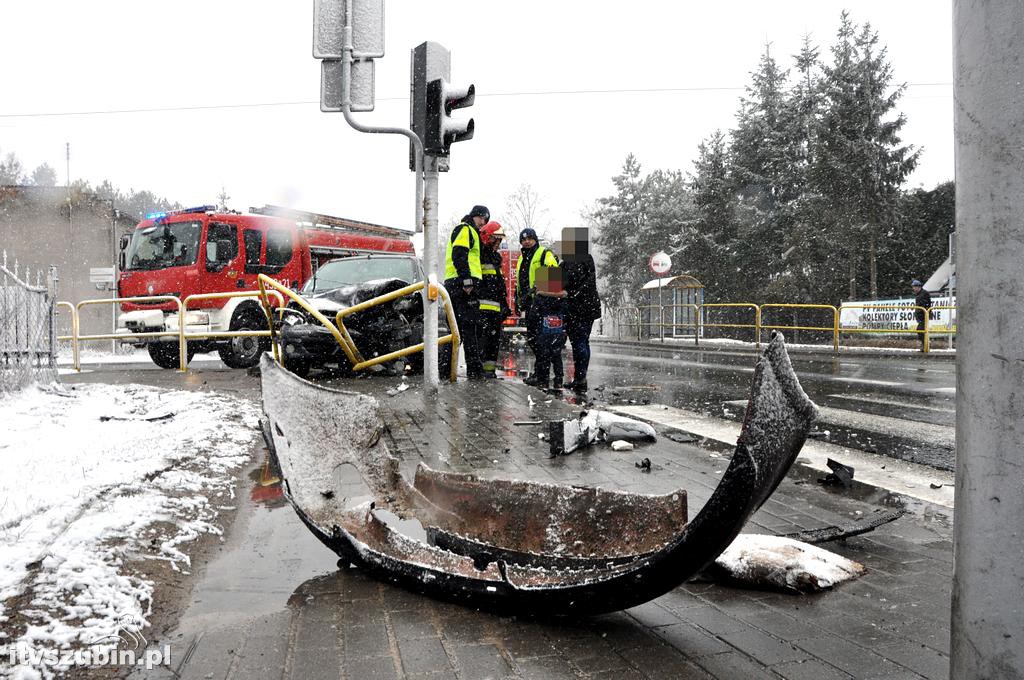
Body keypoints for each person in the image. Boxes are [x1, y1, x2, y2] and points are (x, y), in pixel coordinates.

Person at [443, 205, 489, 378]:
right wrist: (467, 280)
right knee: (469, 328)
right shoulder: (466, 229)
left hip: (458, 284)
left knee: (459, 330)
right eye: (482, 219)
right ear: (476, 216)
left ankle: (447, 370)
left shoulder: (469, 231)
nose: (483, 223)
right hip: (461, 285)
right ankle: (472, 370)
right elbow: (459, 254)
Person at [558, 227, 601, 392]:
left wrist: (573, 294)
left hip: (579, 308)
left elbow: (585, 282)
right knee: (580, 342)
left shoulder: (575, 261)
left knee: (579, 342)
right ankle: (579, 378)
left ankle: (580, 378)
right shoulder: (581, 259)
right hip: (583, 307)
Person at [514, 227, 559, 382]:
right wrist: (517, 299)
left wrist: (542, 294)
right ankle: (540, 373)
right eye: (523, 239)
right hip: (528, 303)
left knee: (540, 340)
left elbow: (554, 274)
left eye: (529, 239)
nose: (526, 242)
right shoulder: (521, 258)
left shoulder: (543, 254)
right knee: (533, 339)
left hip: (541, 303)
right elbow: (520, 282)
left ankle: (542, 374)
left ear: (535, 240)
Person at [477, 221, 510, 378]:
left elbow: (498, 286)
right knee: (482, 342)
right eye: (496, 240)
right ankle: (480, 371)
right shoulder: (478, 255)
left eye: (500, 240)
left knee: (493, 343)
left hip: (495, 310)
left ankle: (489, 372)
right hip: (481, 309)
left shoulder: (496, 259)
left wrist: (504, 305)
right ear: (488, 238)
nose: (498, 244)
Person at [527, 266, 567, 389]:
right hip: (558, 333)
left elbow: (533, 317)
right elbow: (566, 315)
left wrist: (532, 329)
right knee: (556, 355)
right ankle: (559, 378)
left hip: (543, 333)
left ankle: (543, 379)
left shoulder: (540, 299)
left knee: (543, 356)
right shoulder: (562, 299)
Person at [911, 278, 932, 352]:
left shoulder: (924, 293)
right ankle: (925, 345)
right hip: (921, 316)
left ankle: (926, 345)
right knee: (921, 330)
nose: (913, 288)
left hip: (924, 315)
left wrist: (920, 310)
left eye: (914, 287)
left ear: (918, 287)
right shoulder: (919, 294)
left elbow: (925, 304)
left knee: (920, 330)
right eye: (913, 287)